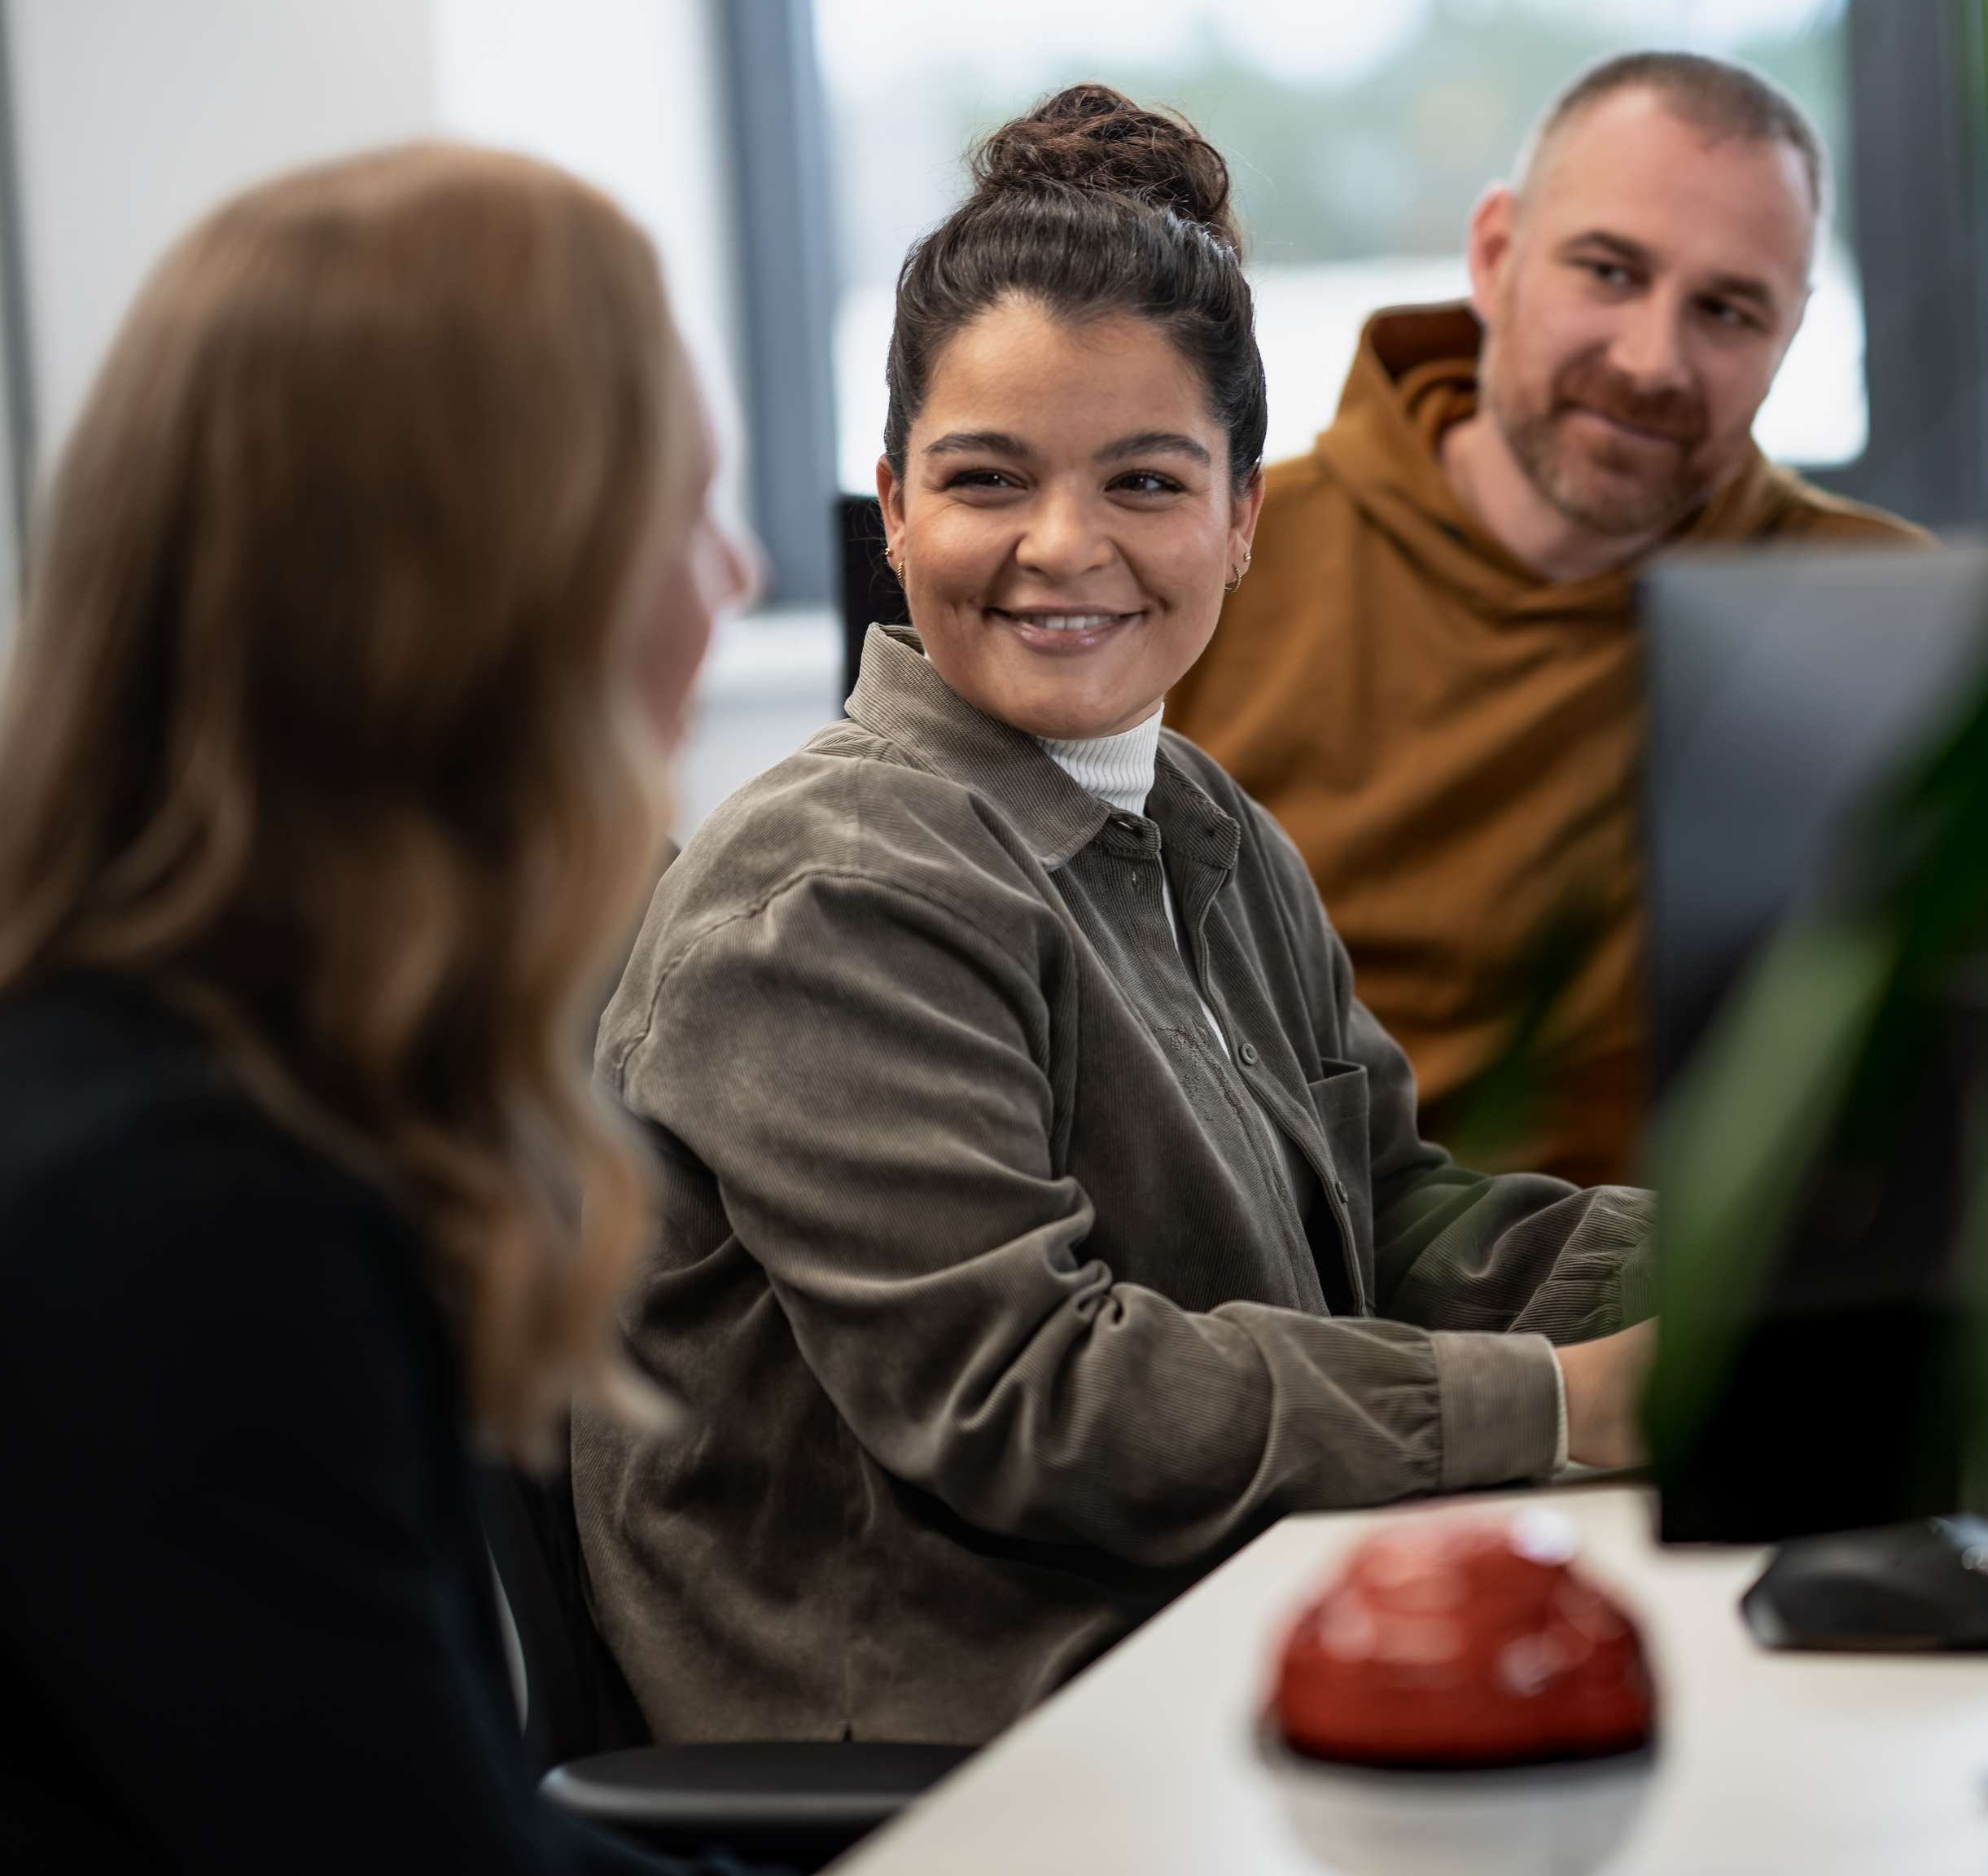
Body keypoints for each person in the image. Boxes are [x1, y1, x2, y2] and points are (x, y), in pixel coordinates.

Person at [574, 85, 1660, 1750]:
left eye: (1145, 482)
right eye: (986, 478)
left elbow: (1390, 1218)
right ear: (896, 507)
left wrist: (1771, 1266)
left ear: (1242, 517)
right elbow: (1030, 1397)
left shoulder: (1191, 820)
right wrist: (1563, 1404)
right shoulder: (838, 888)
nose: (1060, 548)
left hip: (1197, 1628)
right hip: (973, 1746)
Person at [0, 147, 758, 1873]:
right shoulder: (169, 1211)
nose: (736, 578)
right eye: (682, 513)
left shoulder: (69, 1081)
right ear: (484, 605)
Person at [1167, 52, 1927, 1190]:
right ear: (1494, 254)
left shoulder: (1888, 613)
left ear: (1791, 333)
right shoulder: (1213, 567)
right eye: (1611, 272)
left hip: (1707, 1307)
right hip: (1310, 1287)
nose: (1653, 361)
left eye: (1728, 310)